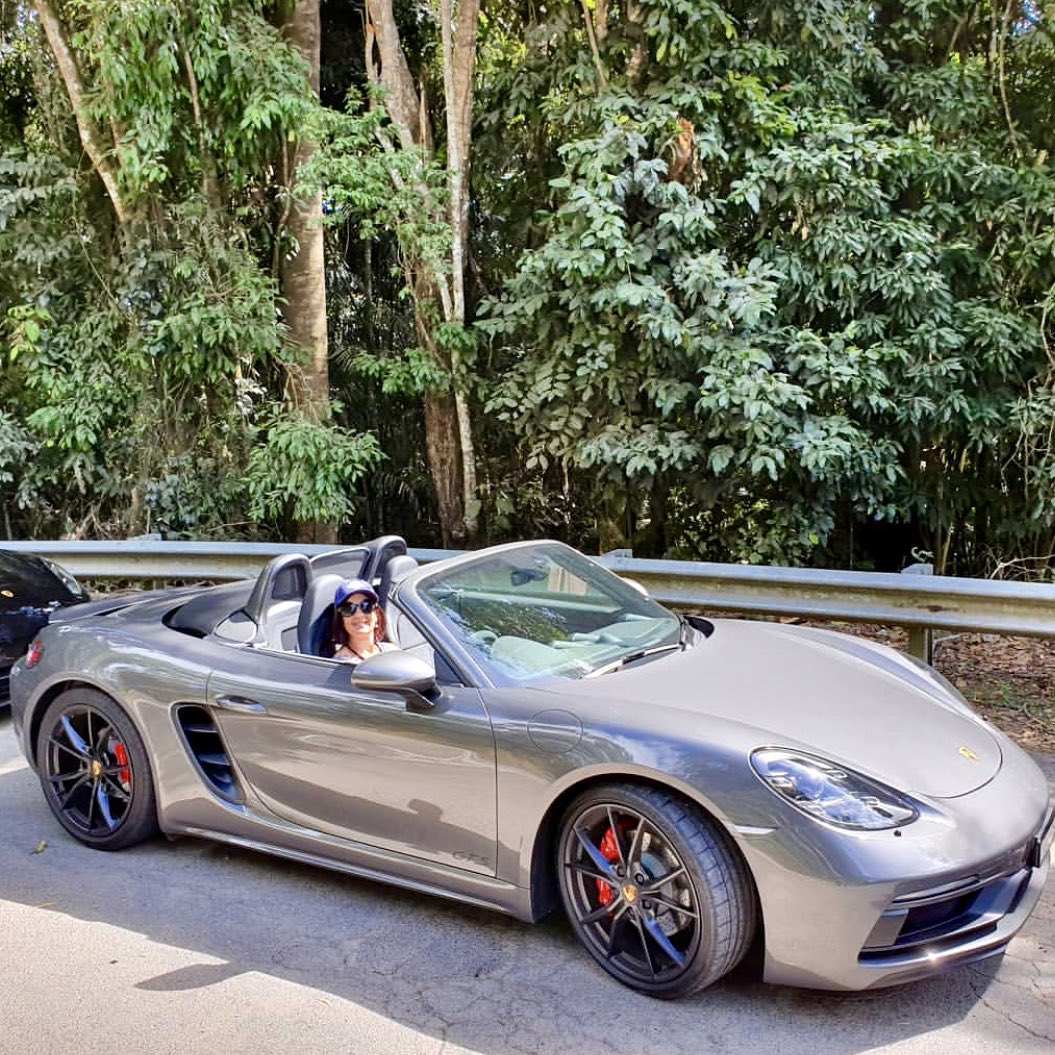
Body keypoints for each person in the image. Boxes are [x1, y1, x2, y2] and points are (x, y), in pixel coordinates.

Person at [331, 578, 399, 665]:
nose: (359, 614)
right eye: (348, 608)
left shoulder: (392, 651)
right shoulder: (340, 665)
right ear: (341, 621)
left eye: (366, 606)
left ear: (377, 615)